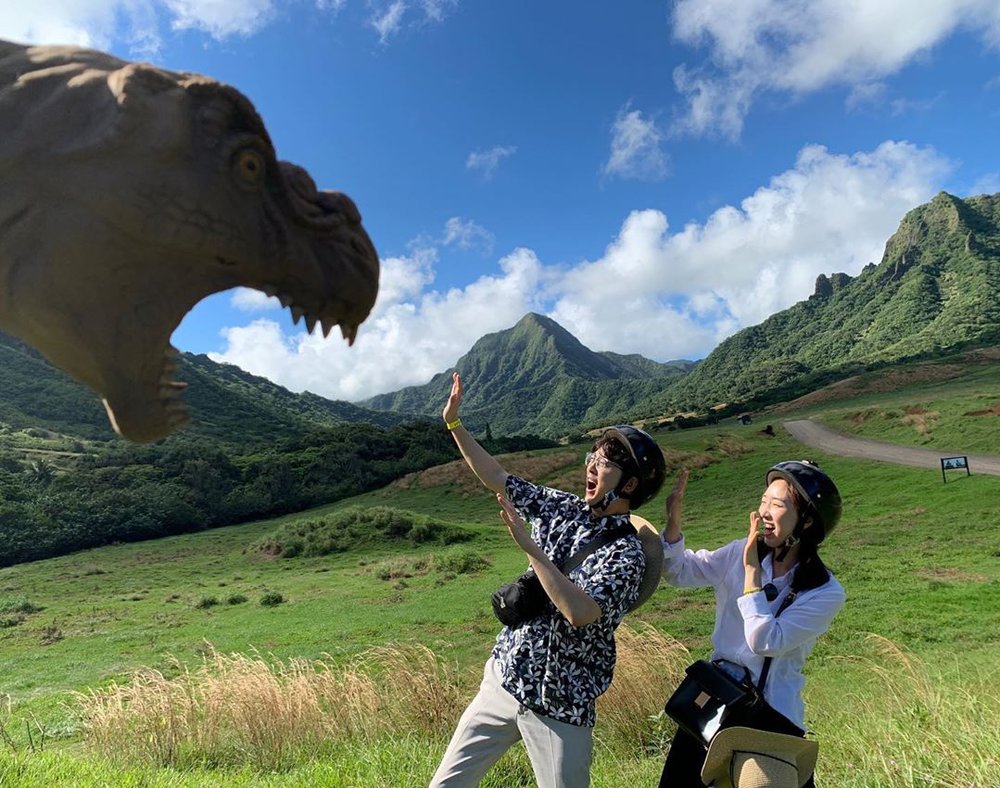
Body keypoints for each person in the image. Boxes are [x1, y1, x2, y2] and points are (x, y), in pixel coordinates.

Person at [428, 372, 666, 788]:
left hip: (561, 706)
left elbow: (580, 612)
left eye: (604, 464)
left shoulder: (626, 556)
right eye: (592, 457)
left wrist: (531, 550)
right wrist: (454, 423)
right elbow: (498, 477)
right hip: (506, 677)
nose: (591, 466)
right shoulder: (563, 508)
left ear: (630, 484)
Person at [654, 461, 845, 788]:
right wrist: (673, 520)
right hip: (714, 705)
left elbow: (766, 640)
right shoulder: (738, 553)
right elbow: (680, 571)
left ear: (808, 520)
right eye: (763, 501)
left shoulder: (825, 591)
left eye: (777, 505)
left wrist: (752, 576)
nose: (763, 513)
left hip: (768, 721)